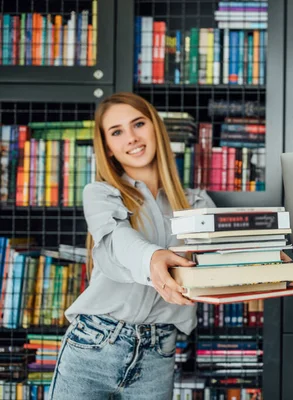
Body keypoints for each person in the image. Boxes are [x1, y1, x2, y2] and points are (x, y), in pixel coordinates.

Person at [49, 92, 216, 399]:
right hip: (93, 348)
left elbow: (224, 260)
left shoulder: (198, 204)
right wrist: (153, 258)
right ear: (108, 149)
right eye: (117, 132)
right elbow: (116, 240)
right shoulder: (100, 193)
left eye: (138, 124)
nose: (131, 138)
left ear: (155, 127)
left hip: (159, 353)